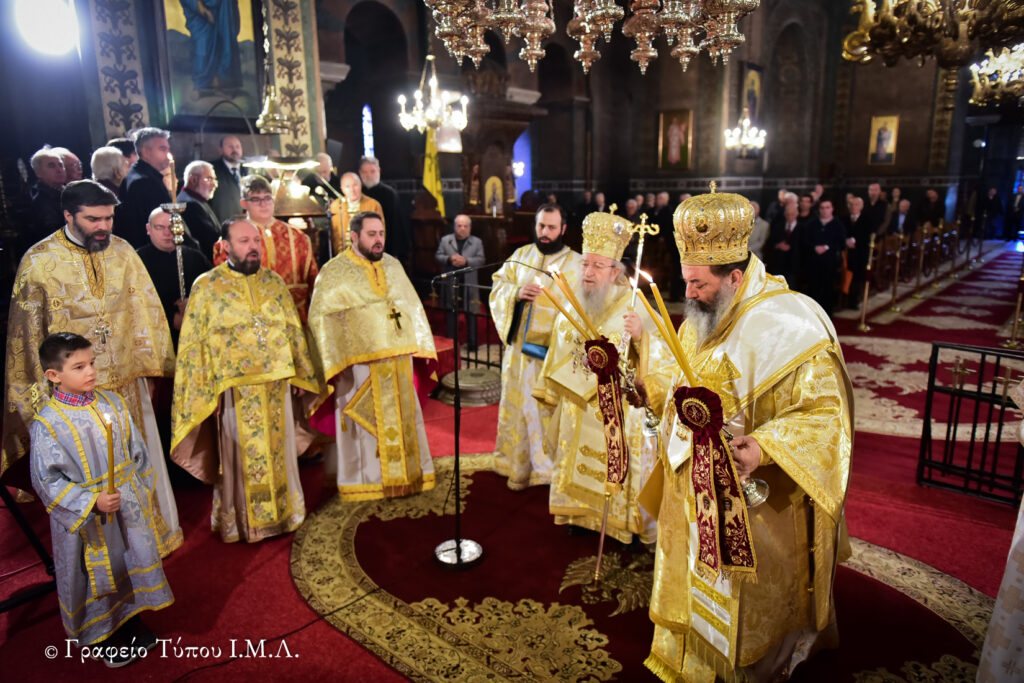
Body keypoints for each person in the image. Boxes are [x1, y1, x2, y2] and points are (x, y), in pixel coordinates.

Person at [644, 189, 853, 682]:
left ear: (735, 277)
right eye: (686, 281)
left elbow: (825, 416)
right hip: (694, 487)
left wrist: (763, 447)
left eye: (698, 284)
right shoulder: (705, 314)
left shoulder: (793, 325)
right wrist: (649, 389)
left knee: (743, 601)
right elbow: (682, 379)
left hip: (760, 499)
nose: (687, 294)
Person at [4, 180, 180, 556]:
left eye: (109, 217)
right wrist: (41, 405)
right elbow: (27, 339)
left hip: (126, 387)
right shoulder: (38, 264)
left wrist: (148, 371)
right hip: (74, 398)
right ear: (68, 215)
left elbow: (144, 313)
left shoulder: (123, 252)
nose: (104, 226)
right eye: (93, 218)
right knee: (90, 475)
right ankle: (104, 555)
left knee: (136, 464)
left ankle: (148, 542)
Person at [171, 218, 321, 542]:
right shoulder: (206, 286)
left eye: (256, 240)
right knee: (241, 457)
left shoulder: (274, 282)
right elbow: (194, 346)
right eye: (244, 241)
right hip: (234, 392)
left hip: (277, 385)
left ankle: (286, 514)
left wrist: (298, 370)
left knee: (279, 451)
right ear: (225, 246)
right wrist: (203, 392)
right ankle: (244, 524)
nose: (253, 247)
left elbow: (292, 329)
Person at [30, 332, 172, 665]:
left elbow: (137, 451)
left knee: (129, 560)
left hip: (127, 504)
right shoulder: (49, 423)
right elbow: (46, 479)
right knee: (98, 575)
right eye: (78, 366)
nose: (91, 371)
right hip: (90, 520)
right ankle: (102, 635)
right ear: (54, 376)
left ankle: (132, 622)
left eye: (91, 362)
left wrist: (138, 490)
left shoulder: (111, 402)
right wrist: (90, 502)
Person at [537, 211, 672, 544]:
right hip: (577, 405)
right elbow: (560, 344)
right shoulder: (572, 302)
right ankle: (578, 515)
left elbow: (669, 355)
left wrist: (643, 336)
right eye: (585, 264)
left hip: (620, 414)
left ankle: (619, 526)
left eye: (598, 266)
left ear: (615, 272)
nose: (588, 273)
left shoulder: (634, 305)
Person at [307, 211, 437, 501]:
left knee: (403, 421)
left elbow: (412, 308)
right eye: (371, 235)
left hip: (398, 362)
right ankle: (365, 483)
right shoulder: (333, 272)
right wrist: (336, 356)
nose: (379, 241)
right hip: (358, 368)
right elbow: (320, 320)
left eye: (381, 234)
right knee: (364, 426)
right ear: (354, 236)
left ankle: (407, 476)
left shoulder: (393, 265)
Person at [490, 203, 584, 489]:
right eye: (541, 226)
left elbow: (584, 309)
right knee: (521, 408)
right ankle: (517, 464)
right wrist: (515, 294)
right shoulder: (521, 256)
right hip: (520, 354)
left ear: (563, 229)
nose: (545, 232)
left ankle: (551, 469)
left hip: (555, 357)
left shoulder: (577, 264)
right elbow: (498, 286)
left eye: (552, 227)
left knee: (546, 411)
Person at [213, 175, 319, 322]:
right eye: (256, 199)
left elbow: (314, 282)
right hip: (250, 319)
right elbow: (223, 284)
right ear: (244, 203)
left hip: (294, 317)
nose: (263, 204)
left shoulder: (298, 237)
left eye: (267, 198)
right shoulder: (230, 240)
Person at [136, 207, 212, 348]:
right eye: (160, 227)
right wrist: (171, 319)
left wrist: (194, 302)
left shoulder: (195, 257)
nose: (167, 233)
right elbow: (136, 303)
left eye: (172, 227)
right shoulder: (137, 261)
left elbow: (214, 289)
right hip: (157, 338)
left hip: (197, 332)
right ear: (148, 229)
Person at [435, 214, 486, 349]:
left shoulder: (477, 242)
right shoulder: (446, 240)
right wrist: (449, 259)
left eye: (465, 226)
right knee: (451, 313)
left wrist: (466, 261)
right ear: (454, 226)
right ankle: (451, 344)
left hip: (469, 283)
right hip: (451, 283)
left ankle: (472, 344)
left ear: (470, 228)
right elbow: (438, 256)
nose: (462, 229)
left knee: (471, 313)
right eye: (459, 226)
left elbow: (481, 260)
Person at [118, 128, 173, 248]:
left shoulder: (138, 174)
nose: (168, 154)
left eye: (168, 149)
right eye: (162, 149)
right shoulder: (145, 182)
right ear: (146, 152)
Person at [181, 0, 241, 92]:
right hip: (198, 15)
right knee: (203, 43)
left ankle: (218, 80)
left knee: (222, 39)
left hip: (219, 8)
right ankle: (201, 83)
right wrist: (201, 8)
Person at [359, 156, 409, 263]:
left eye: (372, 171)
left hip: (386, 246)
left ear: (379, 171)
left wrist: (395, 252)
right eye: (365, 172)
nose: (369, 175)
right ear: (360, 173)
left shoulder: (389, 194)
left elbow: (396, 225)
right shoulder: (357, 193)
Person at [802, 198, 847, 316]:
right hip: (814, 262)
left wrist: (827, 247)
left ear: (832, 209)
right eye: (822, 208)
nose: (825, 210)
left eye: (827, 207)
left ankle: (827, 314)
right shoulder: (811, 224)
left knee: (828, 288)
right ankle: (812, 313)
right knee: (813, 288)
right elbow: (805, 241)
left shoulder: (838, 225)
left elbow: (842, 244)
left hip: (830, 262)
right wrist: (814, 247)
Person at [328, 172, 384, 257]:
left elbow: (381, 232)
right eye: (347, 186)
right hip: (343, 255)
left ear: (360, 185)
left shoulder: (373, 205)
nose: (352, 190)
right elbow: (334, 234)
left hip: (367, 255)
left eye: (355, 185)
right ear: (342, 189)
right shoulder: (335, 206)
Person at [176, 160, 222, 258]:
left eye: (215, 180)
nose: (214, 185)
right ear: (193, 180)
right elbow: (208, 239)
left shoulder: (198, 200)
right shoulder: (189, 205)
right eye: (209, 179)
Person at [27, 146, 66, 248]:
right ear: (38, 172)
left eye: (61, 165)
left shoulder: (70, 193)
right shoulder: (41, 202)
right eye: (51, 166)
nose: (59, 169)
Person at [208, 135, 247, 221]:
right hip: (223, 221)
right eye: (230, 146)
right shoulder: (211, 170)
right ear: (220, 150)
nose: (235, 150)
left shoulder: (249, 169)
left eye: (237, 147)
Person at [844, 196, 872, 311]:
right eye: (851, 205)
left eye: (856, 205)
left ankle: (855, 299)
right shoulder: (844, 219)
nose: (853, 207)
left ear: (861, 206)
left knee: (858, 277)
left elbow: (868, 237)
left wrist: (855, 241)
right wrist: (846, 241)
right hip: (846, 253)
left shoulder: (867, 219)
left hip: (860, 252)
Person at [766, 200, 802, 288]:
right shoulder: (778, 226)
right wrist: (778, 246)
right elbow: (769, 243)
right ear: (785, 215)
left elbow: (804, 247)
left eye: (792, 214)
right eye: (788, 214)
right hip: (778, 264)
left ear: (796, 215)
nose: (790, 216)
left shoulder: (802, 228)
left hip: (793, 266)